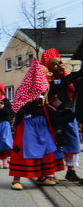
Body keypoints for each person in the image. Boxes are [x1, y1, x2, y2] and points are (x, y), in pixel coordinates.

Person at [9, 59, 60, 190]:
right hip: (28, 125)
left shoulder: (45, 91)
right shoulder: (25, 91)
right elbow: (19, 108)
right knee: (22, 150)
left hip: (42, 125)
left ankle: (43, 176)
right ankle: (16, 179)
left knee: (46, 148)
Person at [43, 49, 80, 182]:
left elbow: (72, 82)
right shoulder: (48, 81)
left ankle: (71, 170)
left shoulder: (67, 80)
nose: (58, 67)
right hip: (53, 115)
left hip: (68, 113)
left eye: (59, 64)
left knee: (73, 140)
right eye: (55, 64)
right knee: (55, 142)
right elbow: (52, 93)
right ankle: (50, 172)